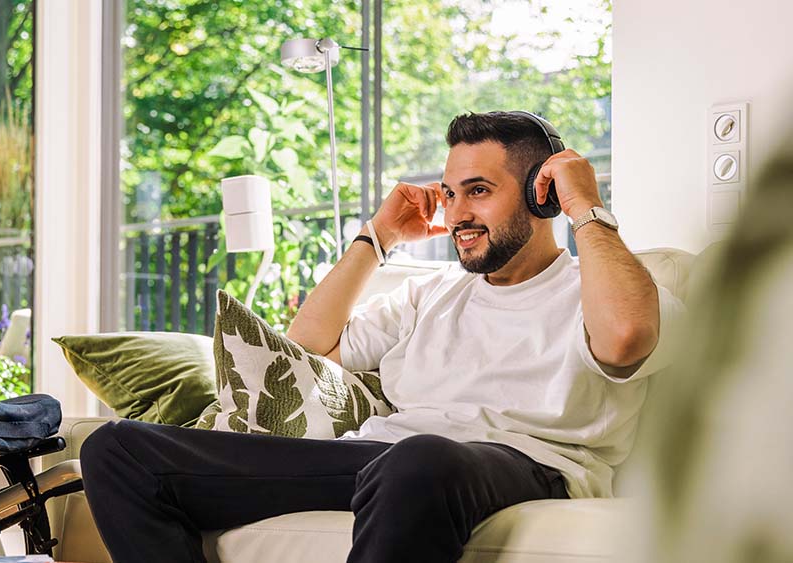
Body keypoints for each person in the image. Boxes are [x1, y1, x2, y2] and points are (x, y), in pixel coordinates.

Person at [79, 111, 685, 563]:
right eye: (450, 193)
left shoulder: (606, 287)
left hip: (525, 463)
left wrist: (588, 206)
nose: (457, 214)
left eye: (479, 190)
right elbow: (308, 346)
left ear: (541, 194)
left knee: (420, 458)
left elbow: (627, 337)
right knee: (118, 450)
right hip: (383, 462)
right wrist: (377, 236)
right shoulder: (430, 294)